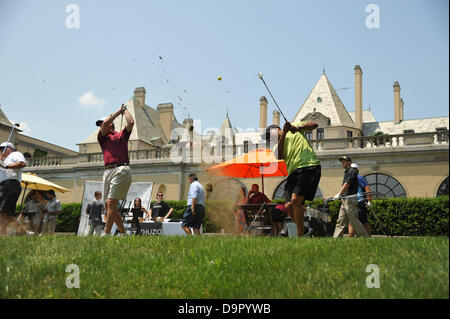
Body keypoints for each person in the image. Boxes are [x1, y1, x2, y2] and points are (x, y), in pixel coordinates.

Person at [267, 121, 321, 237]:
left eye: (270, 135)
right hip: (293, 173)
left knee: (296, 200)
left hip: (308, 166)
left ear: (277, 130)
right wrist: (285, 133)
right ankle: (304, 229)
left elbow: (315, 125)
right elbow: (279, 156)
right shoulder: (277, 146)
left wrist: (298, 127)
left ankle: (299, 236)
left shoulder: (296, 126)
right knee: (288, 206)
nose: (270, 139)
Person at [96, 104, 134, 236]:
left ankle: (106, 235)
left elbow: (131, 122)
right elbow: (107, 122)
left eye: (101, 124)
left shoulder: (121, 135)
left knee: (111, 204)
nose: (101, 127)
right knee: (109, 207)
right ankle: (123, 234)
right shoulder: (102, 138)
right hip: (108, 171)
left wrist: (125, 111)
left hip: (121, 169)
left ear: (111, 125)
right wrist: (119, 111)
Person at [0, 142, 32, 236]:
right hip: (4, 185)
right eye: (1, 149)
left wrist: (6, 166)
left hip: (10, 184)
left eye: (4, 148)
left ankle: (2, 235)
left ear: (11, 148)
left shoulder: (15, 154)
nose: (2, 150)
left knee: (2, 213)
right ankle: (25, 233)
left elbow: (22, 163)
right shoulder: (4, 160)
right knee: (6, 214)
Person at [332, 156, 369, 238]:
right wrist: (341, 196)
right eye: (342, 161)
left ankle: (364, 237)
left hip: (350, 199)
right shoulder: (347, 171)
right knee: (341, 220)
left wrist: (339, 193)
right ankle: (336, 238)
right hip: (345, 199)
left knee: (354, 220)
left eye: (344, 161)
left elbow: (347, 184)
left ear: (349, 162)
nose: (342, 163)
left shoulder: (352, 171)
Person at [348, 163, 372, 237]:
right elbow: (367, 188)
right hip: (355, 202)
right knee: (359, 222)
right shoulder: (355, 178)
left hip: (356, 202)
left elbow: (367, 188)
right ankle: (366, 237)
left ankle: (352, 238)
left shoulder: (356, 178)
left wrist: (369, 201)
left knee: (355, 221)